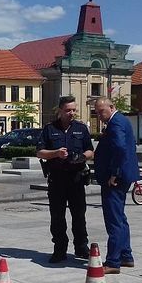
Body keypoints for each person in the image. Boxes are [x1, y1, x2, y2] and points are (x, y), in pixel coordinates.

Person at [36, 96, 94, 263]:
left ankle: (81, 247)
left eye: (73, 110)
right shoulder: (49, 129)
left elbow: (90, 150)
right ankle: (60, 248)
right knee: (57, 216)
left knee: (79, 215)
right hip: (57, 180)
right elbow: (40, 152)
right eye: (68, 110)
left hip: (76, 179)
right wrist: (56, 153)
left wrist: (82, 156)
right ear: (60, 111)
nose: (71, 113)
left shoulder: (81, 129)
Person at [94, 97, 139, 275]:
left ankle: (113, 261)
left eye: (101, 111)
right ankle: (126, 256)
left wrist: (115, 173)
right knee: (120, 217)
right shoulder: (121, 121)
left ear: (112, 107)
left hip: (115, 178)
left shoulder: (116, 123)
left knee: (113, 219)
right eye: (97, 112)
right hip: (122, 175)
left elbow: (120, 148)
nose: (99, 115)